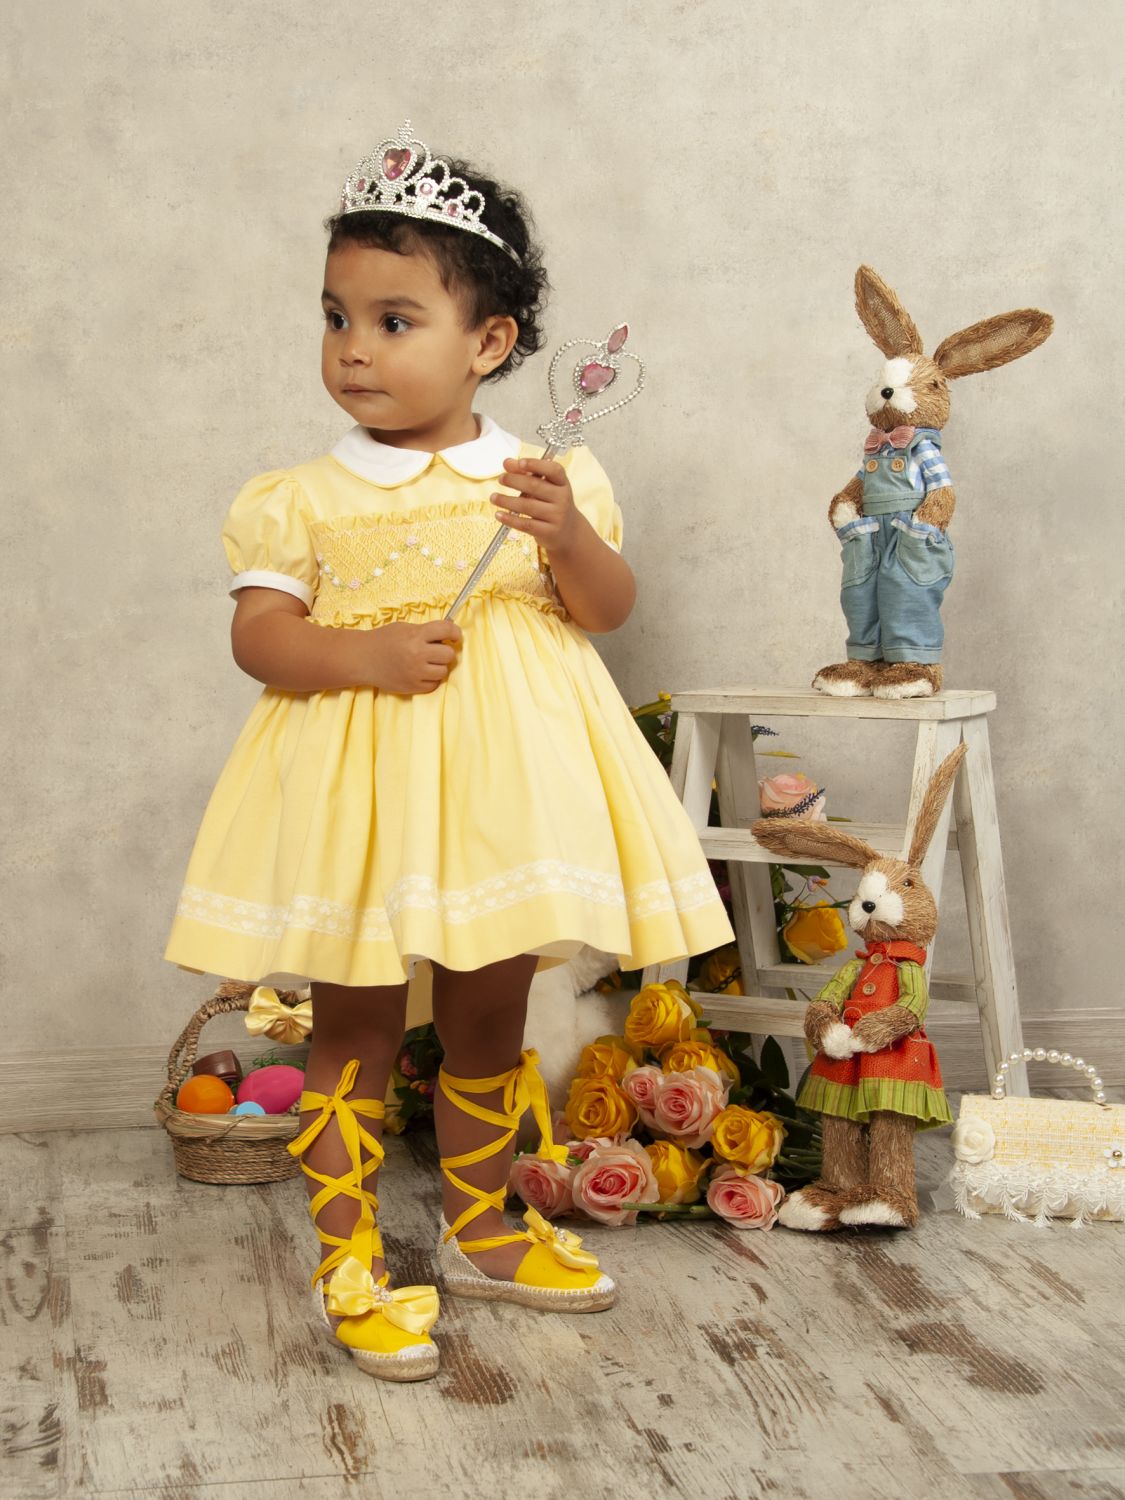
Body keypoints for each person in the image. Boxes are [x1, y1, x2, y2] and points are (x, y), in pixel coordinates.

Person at [163, 123, 735, 1381]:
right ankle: (351, 1261)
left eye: (394, 321)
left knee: (489, 1004)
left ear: (488, 343)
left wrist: (568, 536)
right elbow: (262, 640)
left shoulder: (543, 477)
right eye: (336, 318)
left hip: (504, 796)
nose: (354, 349)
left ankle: (486, 1225)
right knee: (357, 1022)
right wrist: (361, 653)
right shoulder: (301, 496)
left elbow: (604, 610)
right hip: (367, 800)